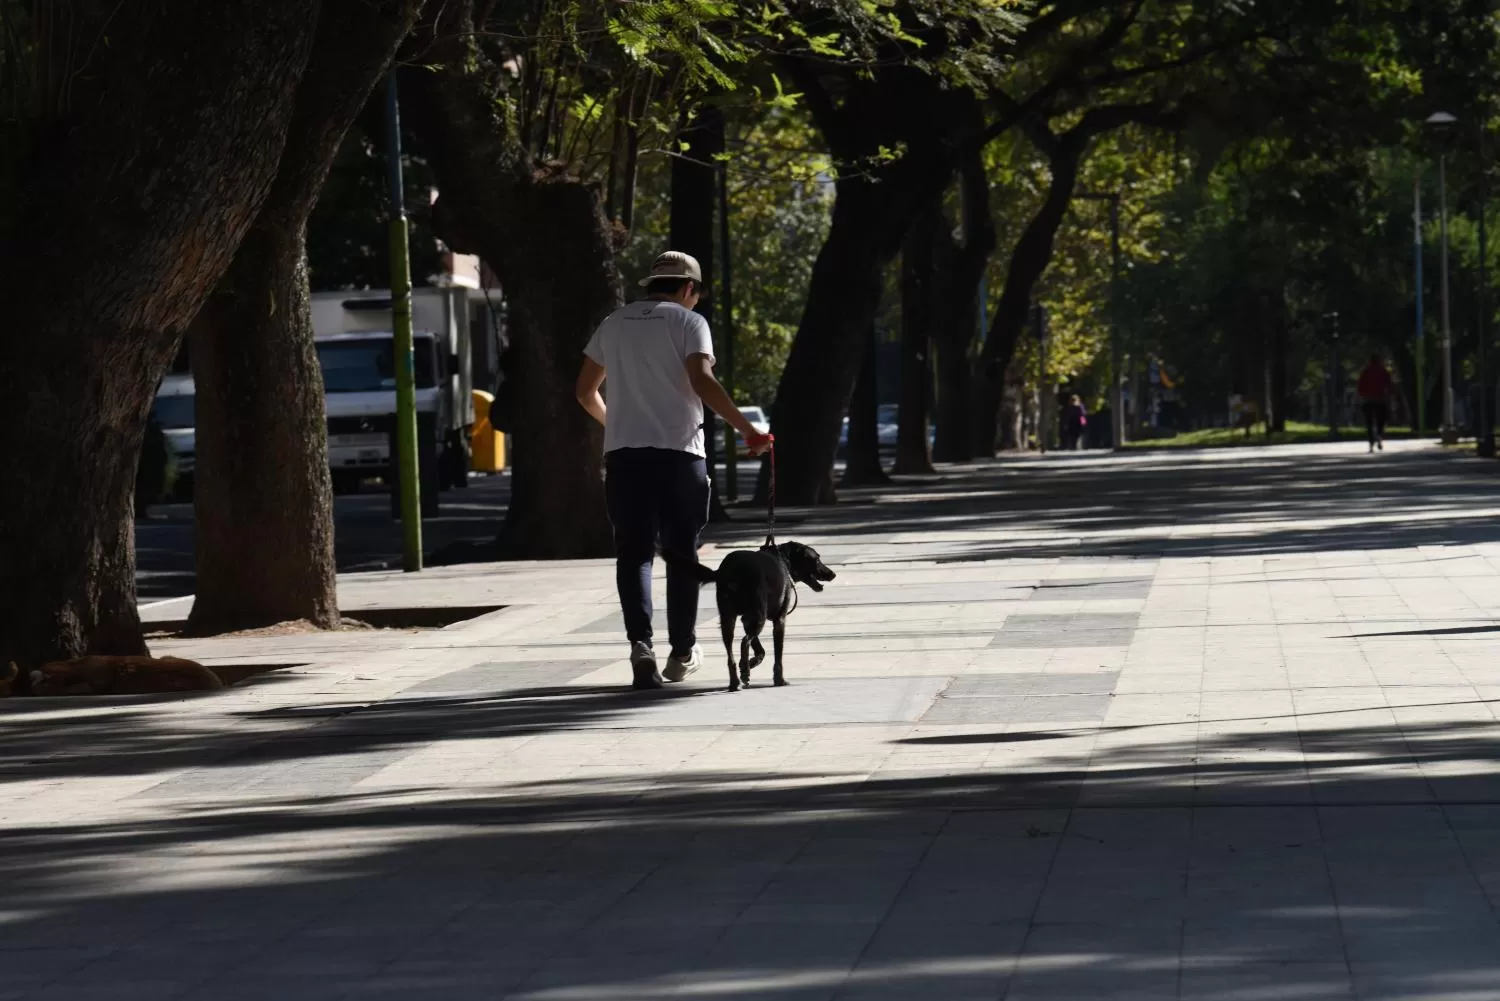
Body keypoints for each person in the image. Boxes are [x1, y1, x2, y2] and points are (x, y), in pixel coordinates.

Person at [575, 251, 774, 690]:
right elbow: (702, 380)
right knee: (681, 554)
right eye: (696, 294)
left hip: (626, 458)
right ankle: (682, 651)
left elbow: (585, 391)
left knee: (634, 555)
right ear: (688, 289)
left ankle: (640, 646)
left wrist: (619, 425)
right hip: (680, 457)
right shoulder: (689, 323)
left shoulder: (613, 323)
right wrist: (748, 431)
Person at [1357, 352, 1395, 453]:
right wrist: (1390, 397)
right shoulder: (1383, 371)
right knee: (1381, 420)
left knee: (1369, 423)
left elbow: (1360, 386)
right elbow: (1389, 385)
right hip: (1380, 399)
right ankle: (1379, 434)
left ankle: (1371, 443)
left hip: (1368, 399)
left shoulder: (1365, 371)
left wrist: (1361, 397)